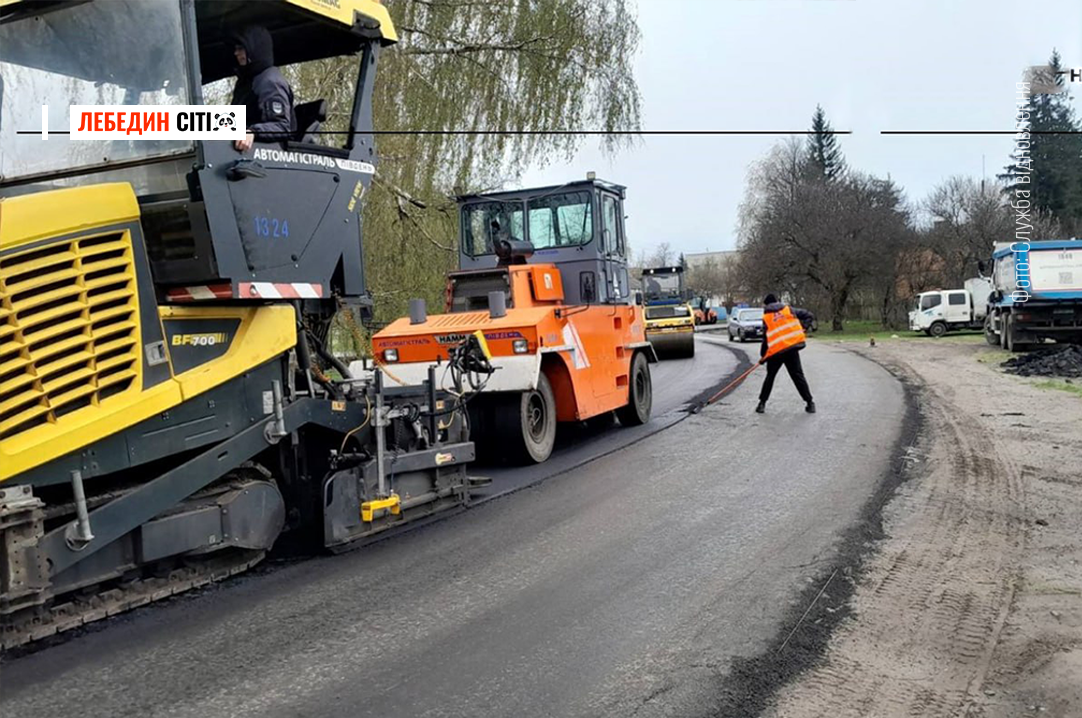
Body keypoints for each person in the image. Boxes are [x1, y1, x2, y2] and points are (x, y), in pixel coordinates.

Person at [229, 25, 296, 152]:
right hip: (241, 153)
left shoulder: (270, 81)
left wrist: (252, 132)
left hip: (269, 158)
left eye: (241, 48)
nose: (236, 53)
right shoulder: (246, 82)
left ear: (254, 49)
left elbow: (281, 126)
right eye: (236, 49)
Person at [756, 293, 816, 414]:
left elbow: (766, 339)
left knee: (770, 377)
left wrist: (763, 357)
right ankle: (810, 403)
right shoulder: (789, 310)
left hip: (776, 353)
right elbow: (809, 315)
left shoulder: (767, 317)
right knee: (798, 376)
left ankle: (762, 404)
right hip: (791, 349)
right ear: (777, 301)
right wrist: (802, 328)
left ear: (766, 305)